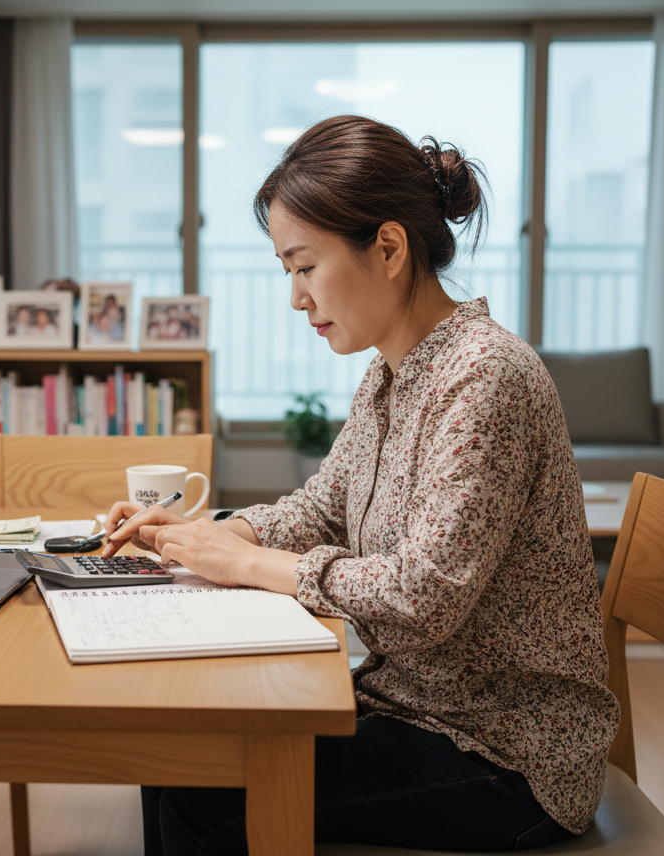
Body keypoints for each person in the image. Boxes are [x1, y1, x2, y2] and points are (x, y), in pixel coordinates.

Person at [102, 115, 619, 855]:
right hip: (414, 707)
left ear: (388, 247)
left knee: (200, 798)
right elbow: (324, 506)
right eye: (288, 272)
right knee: (183, 747)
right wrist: (211, 535)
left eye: (304, 266)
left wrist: (248, 566)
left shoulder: (485, 378)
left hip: (506, 755)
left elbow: (422, 597)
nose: (296, 298)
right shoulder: (390, 372)